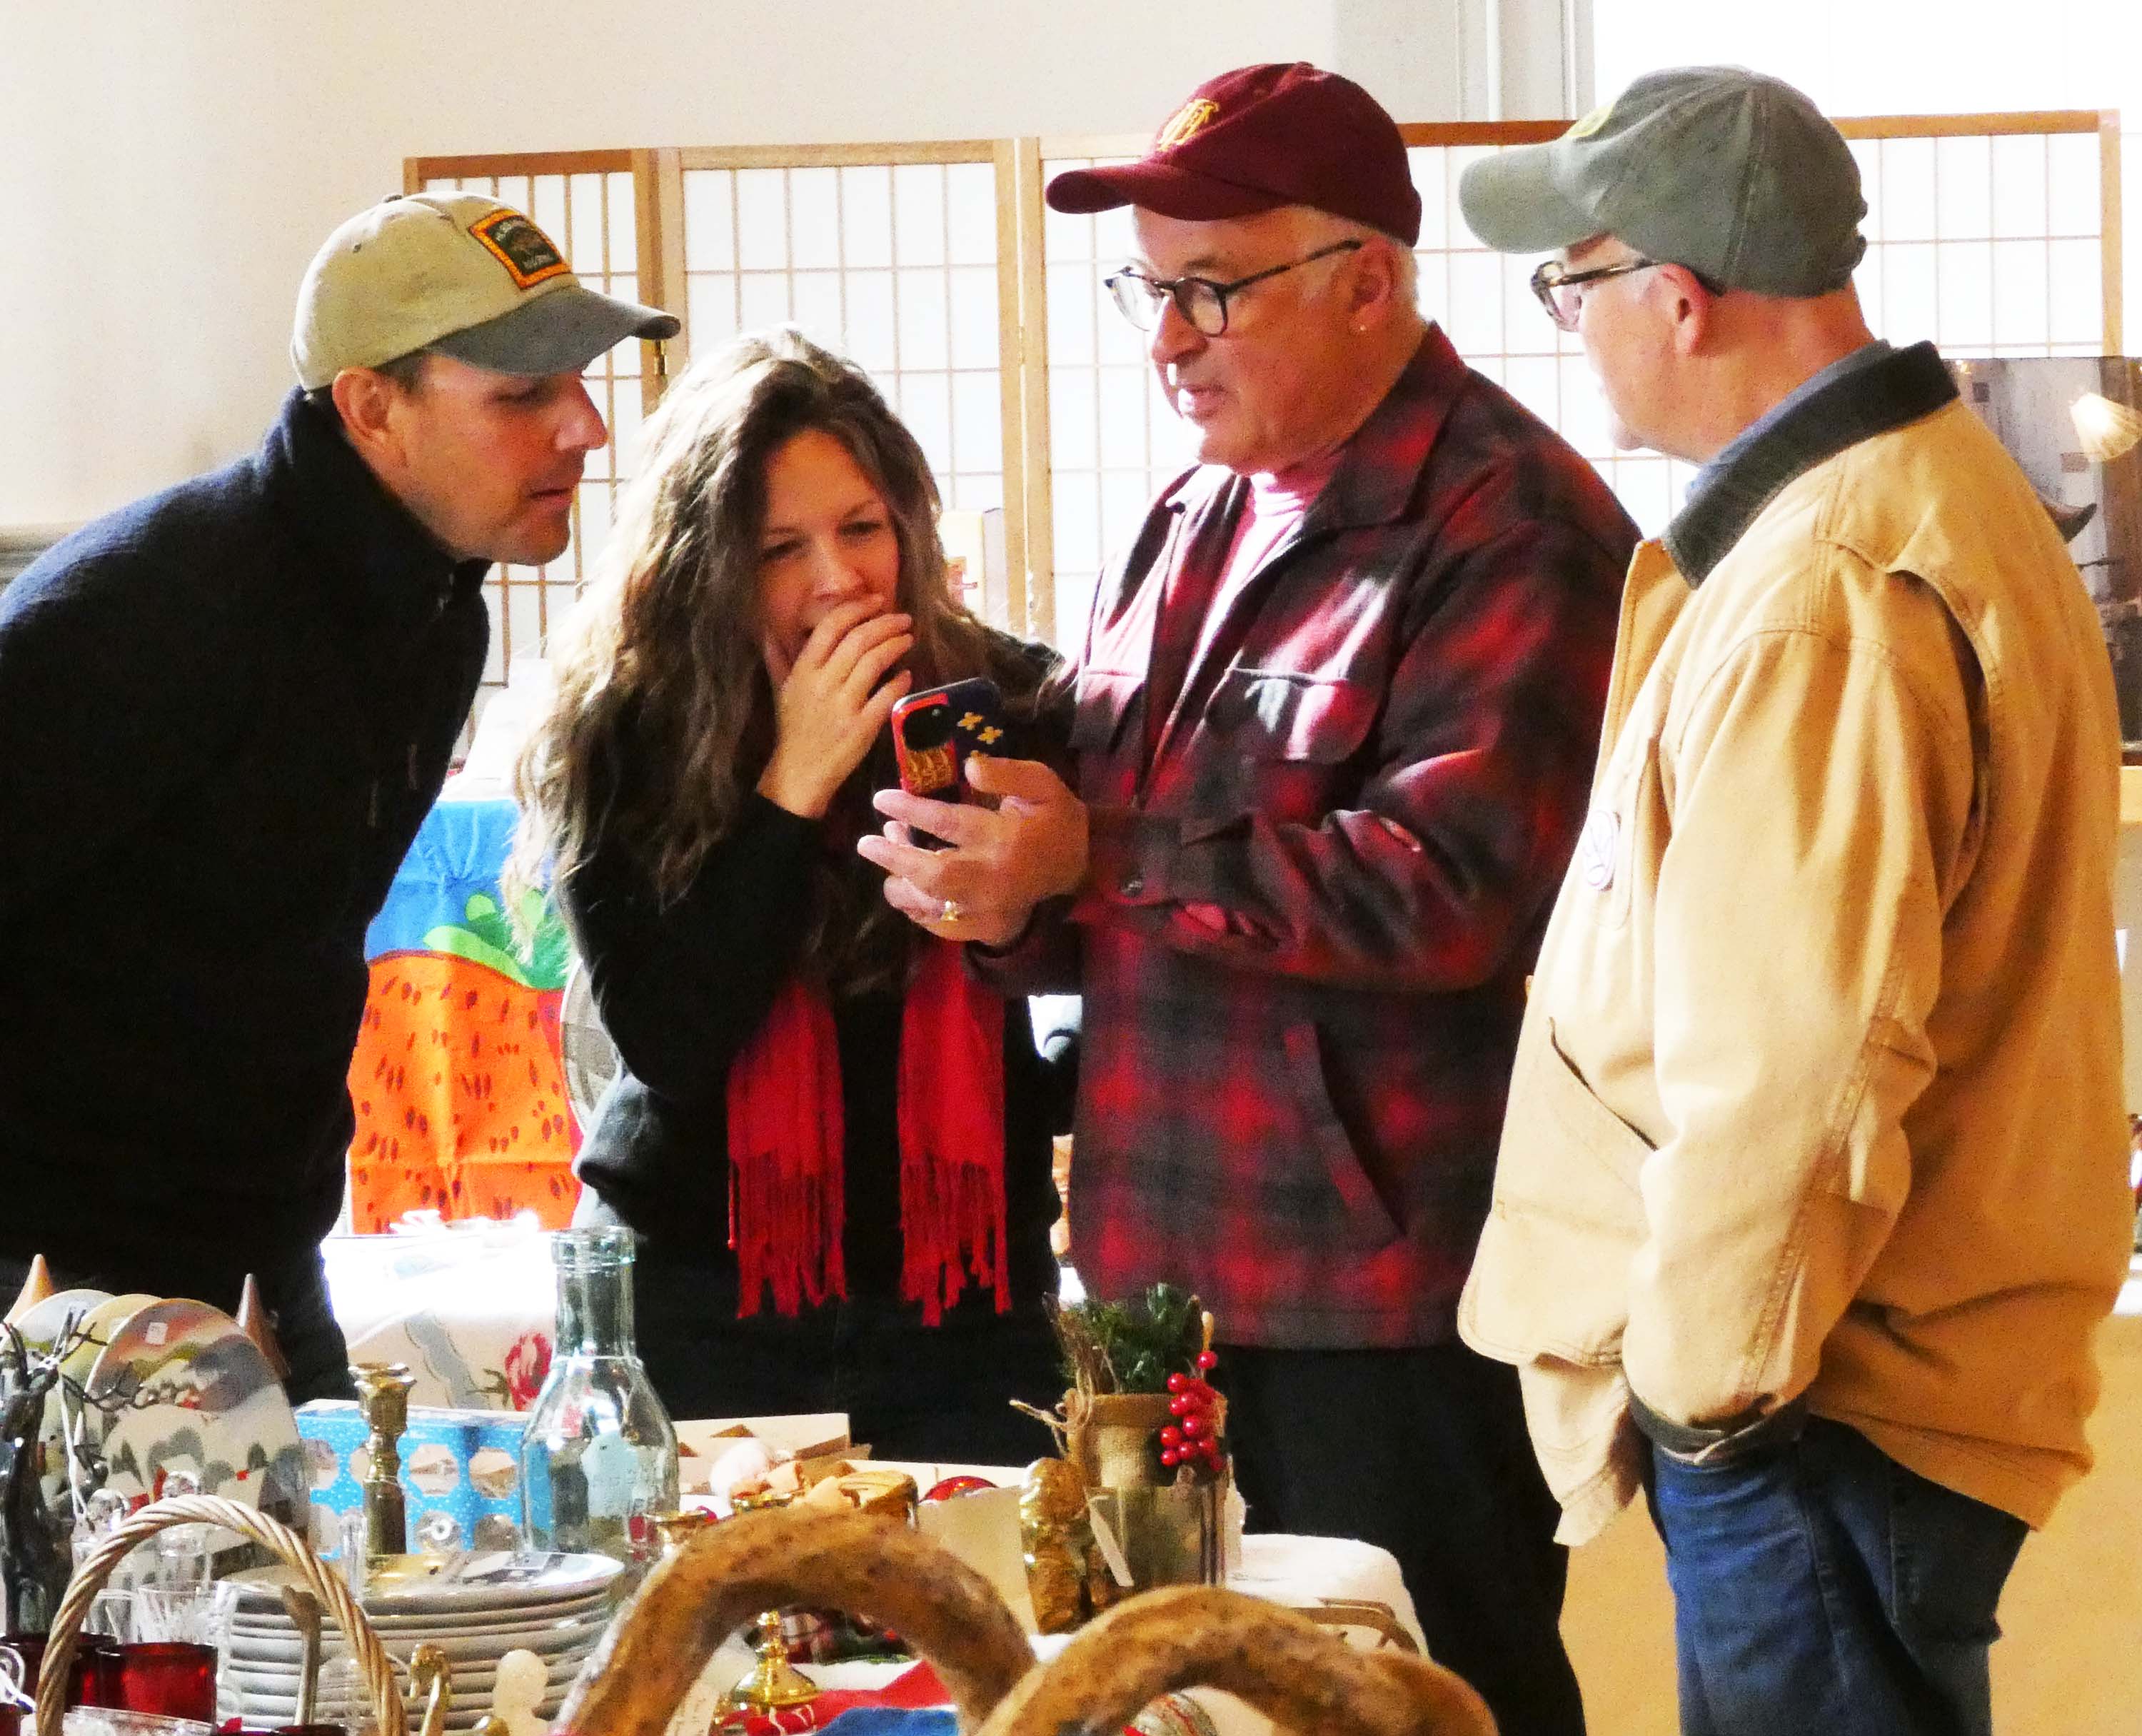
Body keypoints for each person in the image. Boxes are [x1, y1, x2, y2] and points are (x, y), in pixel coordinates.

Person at [860, 62, 1636, 1733]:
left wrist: (1099, 857)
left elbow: (1457, 895)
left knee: (1432, 1702)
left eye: (1215, 288)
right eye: (1150, 286)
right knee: (1177, 1713)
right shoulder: (1183, 513)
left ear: (1373, 282)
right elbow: (1104, 876)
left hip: (1384, 1300)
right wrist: (999, 891)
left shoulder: (1517, 520)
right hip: (1156, 1276)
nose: (1168, 337)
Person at [1452, 67, 2132, 1736]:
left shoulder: (1819, 584)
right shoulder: (1915, 494)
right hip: (1845, 1391)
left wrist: (1706, 1397)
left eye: (1573, 284)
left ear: (1676, 300)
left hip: (1816, 1406)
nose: (1567, 326)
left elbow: (1796, 1073)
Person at [0, 192, 676, 1403]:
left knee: (320, 1592)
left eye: (580, 381)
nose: (585, 428)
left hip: (258, 1255)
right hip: (57, 1288)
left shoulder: (434, 610)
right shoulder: (153, 615)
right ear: (373, 408)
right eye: (522, 395)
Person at [509, 328, 1070, 1464]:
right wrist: (792, 783)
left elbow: (1081, 978)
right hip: (706, 1303)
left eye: (862, 529)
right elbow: (671, 1042)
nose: (837, 578)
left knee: (988, 1626)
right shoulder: (624, 729)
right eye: (779, 548)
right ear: (704, 562)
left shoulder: (1004, 697)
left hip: (964, 1305)